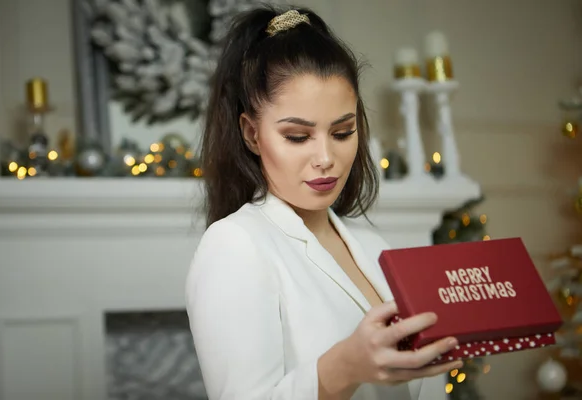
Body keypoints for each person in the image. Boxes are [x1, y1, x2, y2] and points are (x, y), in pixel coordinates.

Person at [185, 4, 463, 399]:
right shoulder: (234, 245)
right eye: (298, 136)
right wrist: (343, 367)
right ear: (251, 134)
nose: (325, 158)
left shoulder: (373, 247)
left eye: (343, 131)